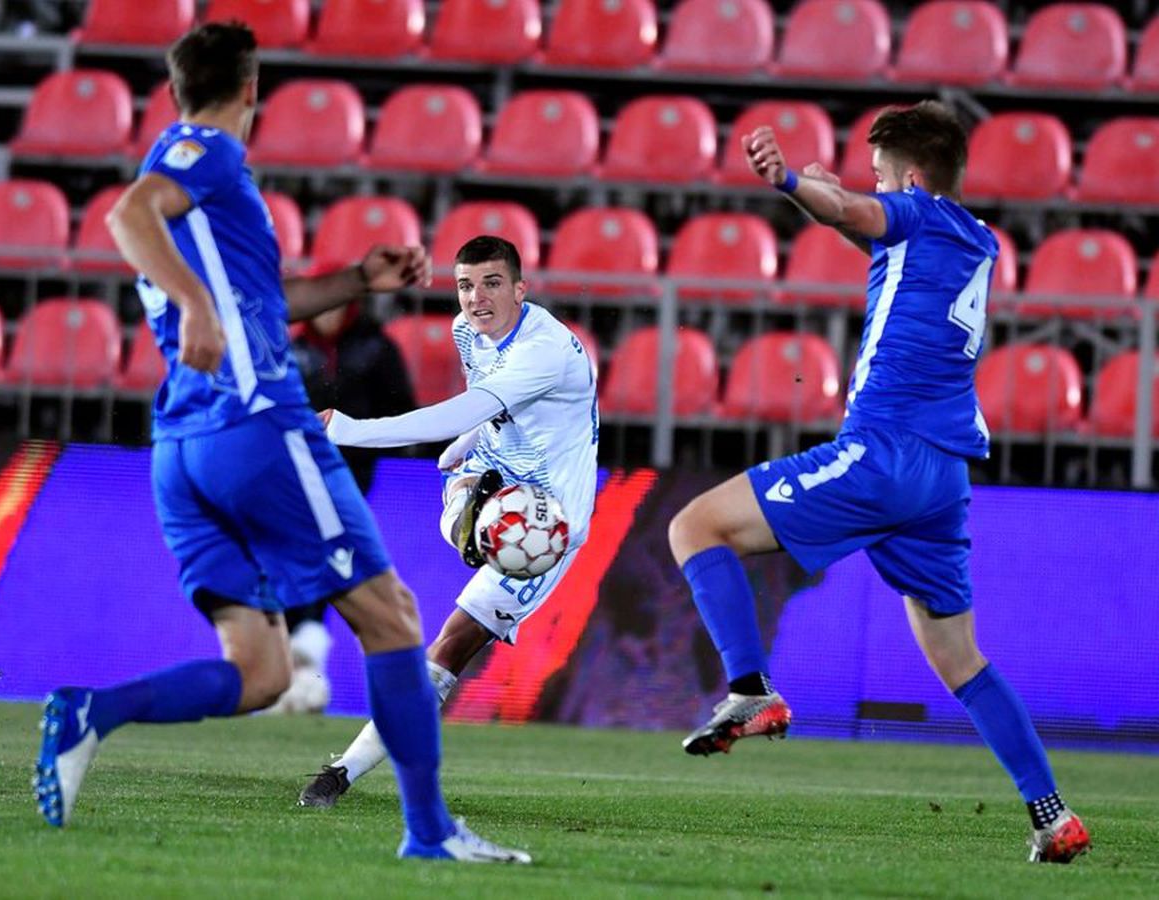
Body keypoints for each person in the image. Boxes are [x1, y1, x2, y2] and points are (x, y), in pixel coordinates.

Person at [31, 22, 529, 864]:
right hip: (255, 425)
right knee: (394, 617)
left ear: (175, 83)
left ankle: (92, 714)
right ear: (252, 88)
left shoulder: (204, 189)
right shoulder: (207, 154)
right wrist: (192, 304)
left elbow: (264, 300)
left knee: (258, 672)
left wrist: (357, 281)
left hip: (182, 448)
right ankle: (430, 832)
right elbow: (128, 212)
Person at [667, 101, 1090, 864]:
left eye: (883, 174)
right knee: (961, 659)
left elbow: (862, 210)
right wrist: (832, 202)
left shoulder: (917, 213)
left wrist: (794, 182)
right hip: (942, 477)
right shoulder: (977, 239)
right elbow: (863, 217)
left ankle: (750, 686)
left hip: (885, 453)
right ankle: (1053, 815)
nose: (875, 186)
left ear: (915, 180)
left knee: (694, 526)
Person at [297, 235, 599, 808]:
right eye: (465, 285)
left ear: (520, 288)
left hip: (545, 525)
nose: (476, 298)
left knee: (452, 643)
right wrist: (468, 443)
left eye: (491, 283)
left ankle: (341, 773)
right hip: (492, 471)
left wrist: (345, 428)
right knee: (462, 511)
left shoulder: (544, 349)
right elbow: (484, 410)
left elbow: (465, 407)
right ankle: (471, 511)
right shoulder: (470, 333)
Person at [264, 301, 417, 715]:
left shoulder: (376, 350)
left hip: (350, 476)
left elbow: (401, 407)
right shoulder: (287, 348)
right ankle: (296, 663)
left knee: (329, 560)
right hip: (292, 475)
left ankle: (303, 661)